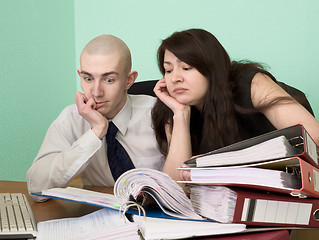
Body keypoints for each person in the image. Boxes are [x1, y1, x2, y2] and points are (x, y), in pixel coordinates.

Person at [151, 28, 319, 182]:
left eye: (186, 68)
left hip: (293, 182)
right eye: (168, 70)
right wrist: (180, 115)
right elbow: (176, 188)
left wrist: (221, 164)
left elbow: (313, 137)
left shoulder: (249, 82)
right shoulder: (171, 107)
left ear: (211, 69)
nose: (175, 78)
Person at [27, 35, 164, 202]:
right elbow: (36, 188)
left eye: (108, 80)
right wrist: (95, 133)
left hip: (156, 218)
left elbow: (181, 186)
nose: (96, 92)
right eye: (88, 78)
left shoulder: (158, 114)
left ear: (129, 80)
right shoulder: (72, 119)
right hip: (100, 219)